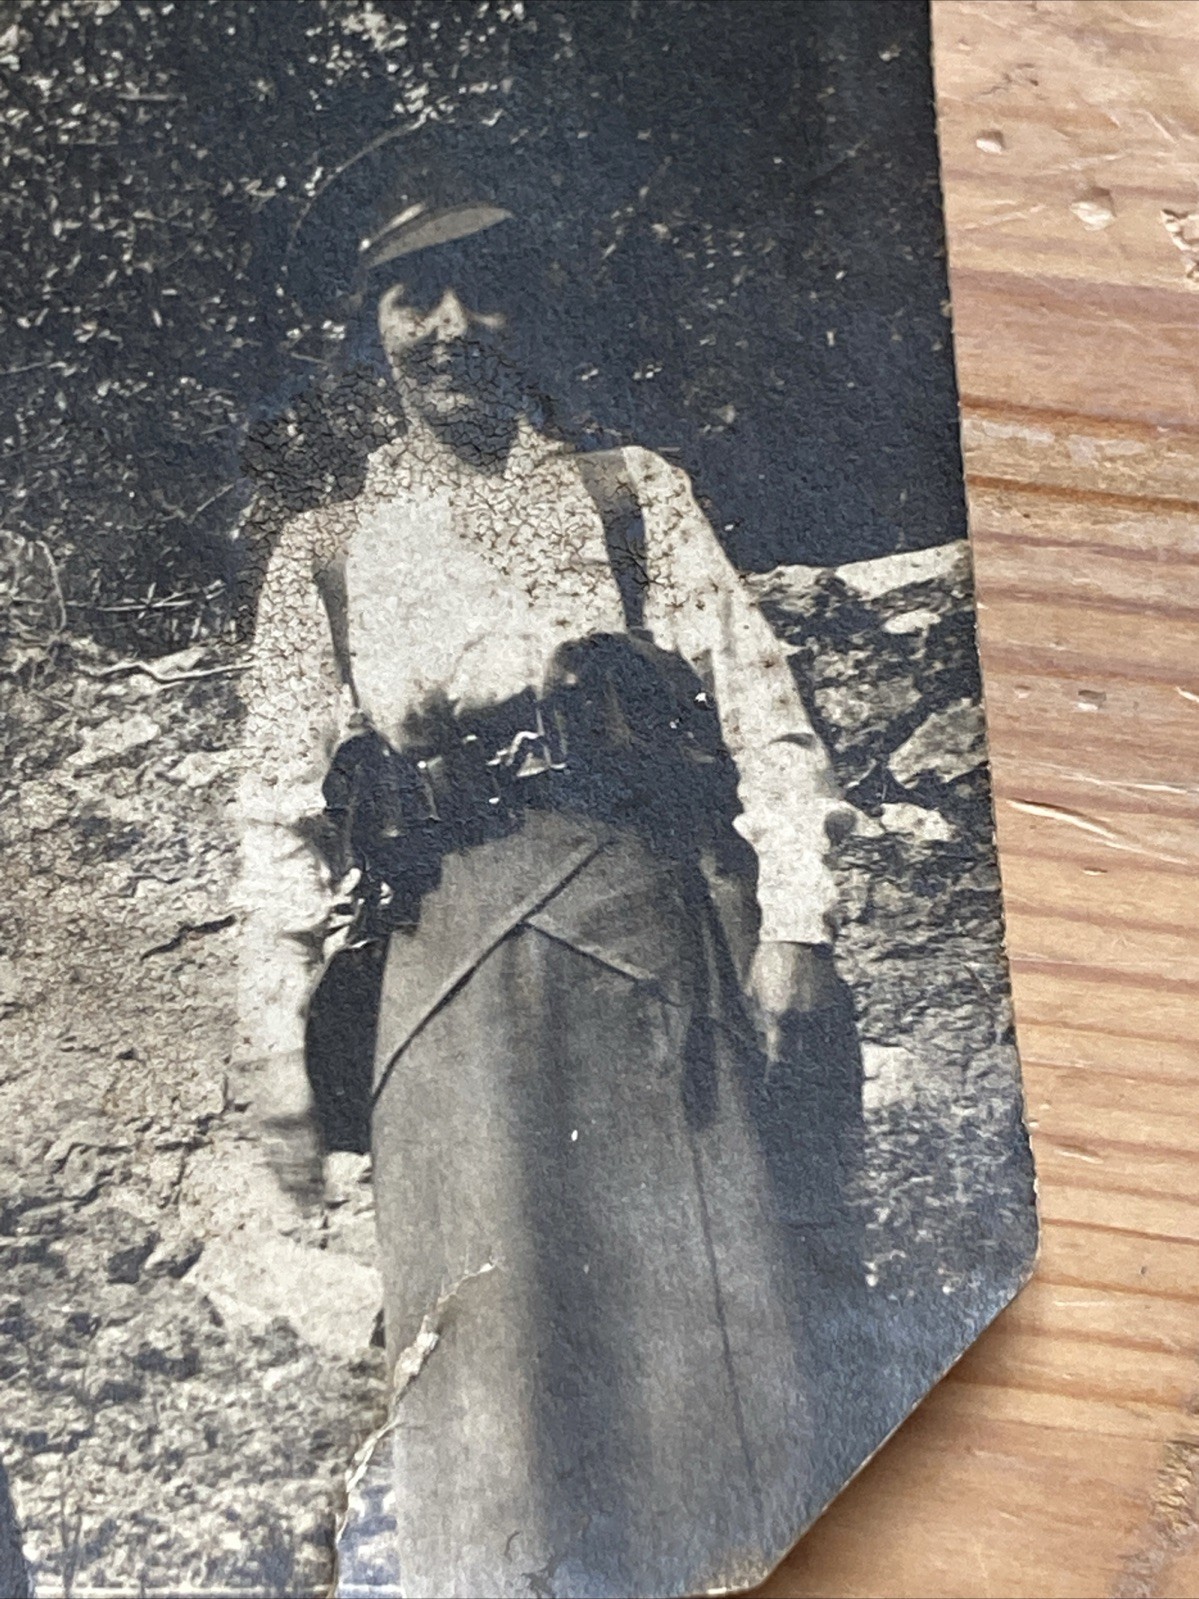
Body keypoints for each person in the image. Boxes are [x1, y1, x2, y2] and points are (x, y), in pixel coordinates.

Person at [235, 169, 855, 1597]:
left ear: (531, 303)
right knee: (489, 1379)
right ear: (368, 326)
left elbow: (764, 716)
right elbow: (278, 820)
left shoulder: (632, 498)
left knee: (701, 1368)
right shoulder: (319, 558)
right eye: (415, 295)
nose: (455, 325)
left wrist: (798, 927)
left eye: (485, 285)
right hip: (442, 992)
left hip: (646, 946)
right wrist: (274, 1048)